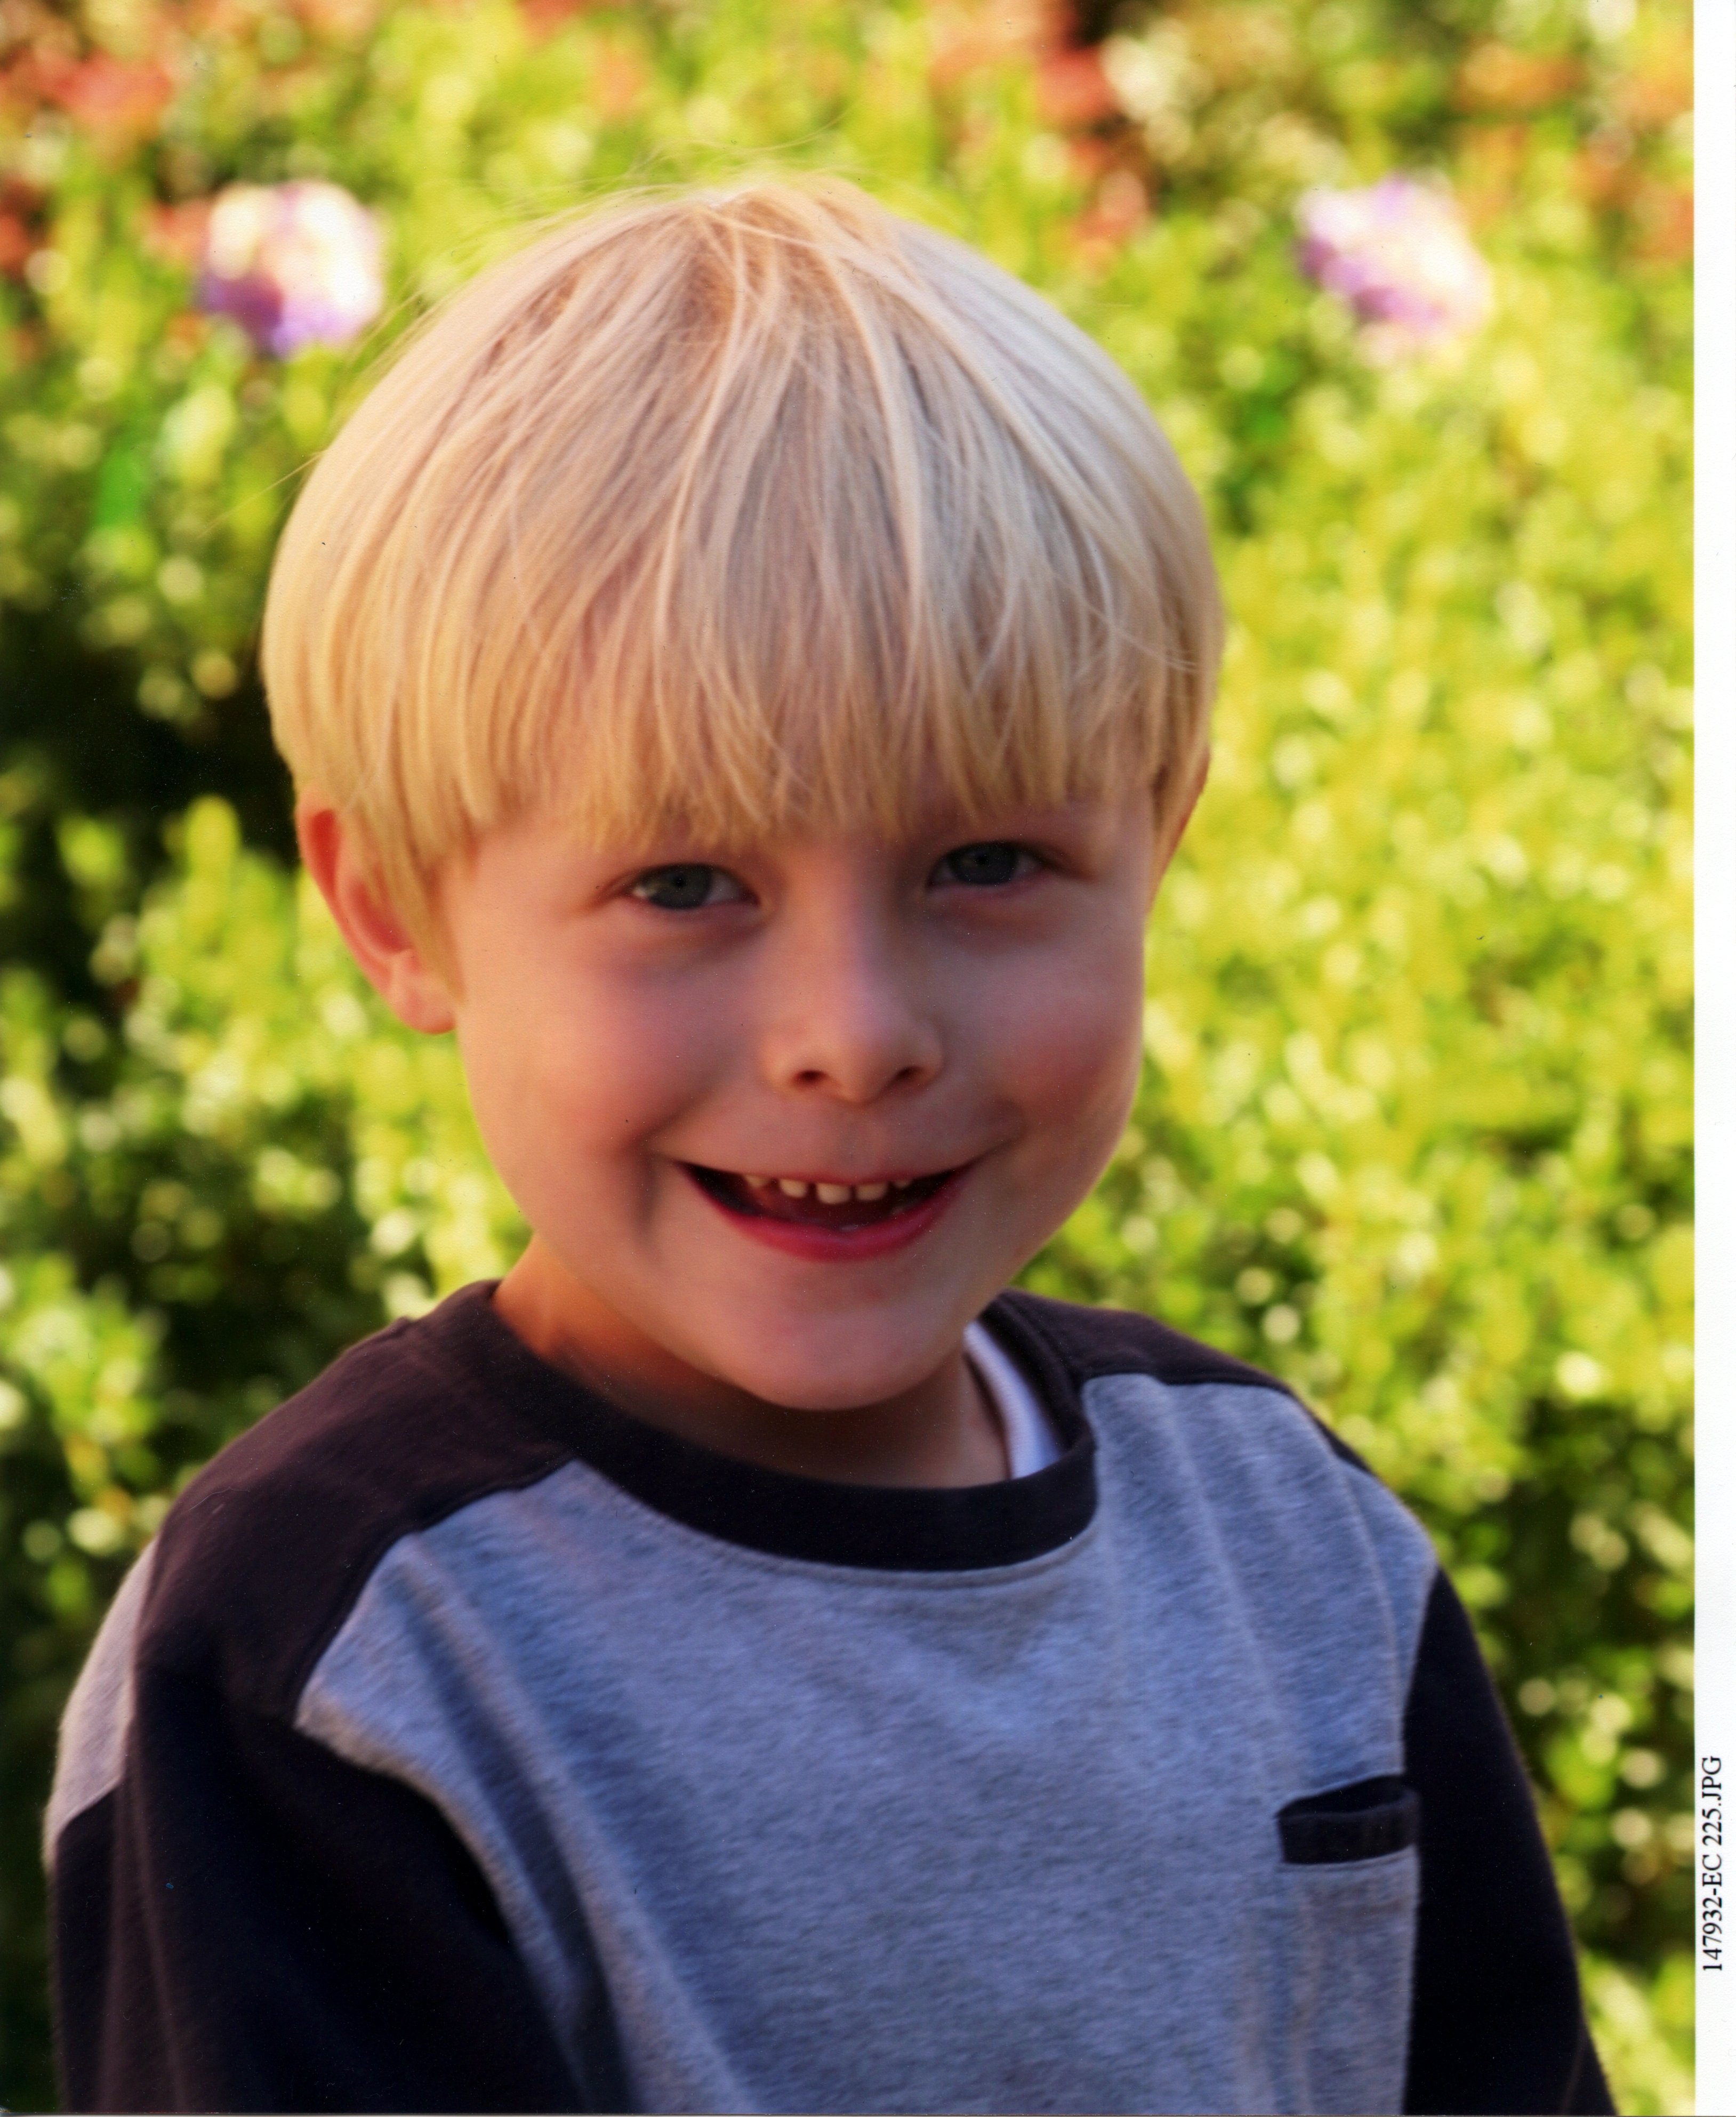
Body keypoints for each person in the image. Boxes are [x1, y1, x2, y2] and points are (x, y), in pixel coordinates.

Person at [45, 179, 1610, 2117]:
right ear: (397, 909)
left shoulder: (1290, 1538)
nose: (856, 1035)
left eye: (987, 861)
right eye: (684, 883)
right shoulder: (335, 1656)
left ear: (1162, 837)